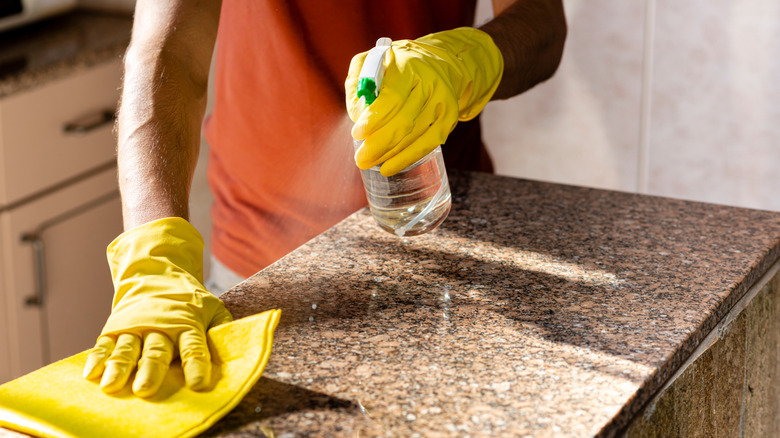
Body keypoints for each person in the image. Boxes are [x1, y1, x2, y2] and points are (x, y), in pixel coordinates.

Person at [81, 0, 567, 397]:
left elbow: (542, 20)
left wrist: (464, 61)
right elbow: (167, 52)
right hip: (265, 271)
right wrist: (154, 255)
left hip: (450, 243)